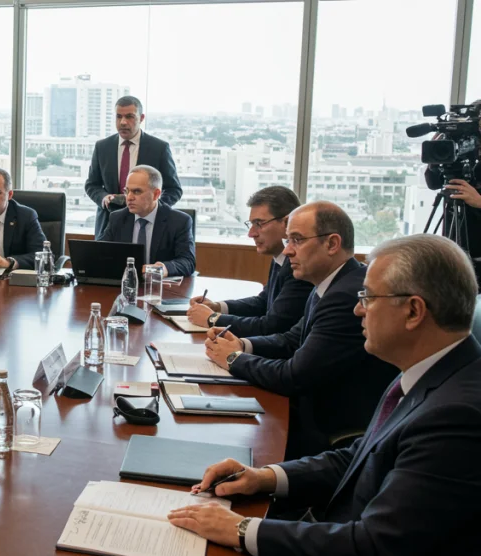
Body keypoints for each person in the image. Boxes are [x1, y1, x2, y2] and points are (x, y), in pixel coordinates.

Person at [168, 234, 481, 556]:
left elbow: (375, 547)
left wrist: (243, 529)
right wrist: (265, 477)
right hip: (345, 548)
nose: (357, 308)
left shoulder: (457, 415)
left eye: (368, 297)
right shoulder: (434, 372)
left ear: (413, 310)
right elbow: (359, 456)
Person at [204, 201, 396, 458]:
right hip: (311, 408)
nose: (288, 251)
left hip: (327, 428)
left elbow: (293, 377)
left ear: (332, 244)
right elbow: (291, 339)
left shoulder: (345, 296)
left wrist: (233, 359)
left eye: (296, 240)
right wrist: (242, 345)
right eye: (288, 240)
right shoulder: (329, 283)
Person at [187, 186, 312, 336]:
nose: (251, 233)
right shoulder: (280, 257)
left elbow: (272, 326)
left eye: (259, 224)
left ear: (286, 223)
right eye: (251, 224)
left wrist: (213, 318)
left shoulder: (300, 267)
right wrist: (217, 307)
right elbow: (263, 302)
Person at [85, 96, 182, 238]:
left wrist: (150, 207)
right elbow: (92, 185)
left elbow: (174, 189)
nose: (123, 122)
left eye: (129, 117)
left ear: (141, 118)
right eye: (119, 117)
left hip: (147, 225)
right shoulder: (102, 147)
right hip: (109, 225)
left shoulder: (159, 148)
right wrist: (104, 198)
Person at [97, 165, 196, 277]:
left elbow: (188, 262)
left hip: (161, 289)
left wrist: (164, 268)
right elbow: (99, 252)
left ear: (156, 194)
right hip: (125, 286)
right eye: (127, 191)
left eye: (137, 192)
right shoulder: (117, 218)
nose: (129, 197)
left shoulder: (179, 221)